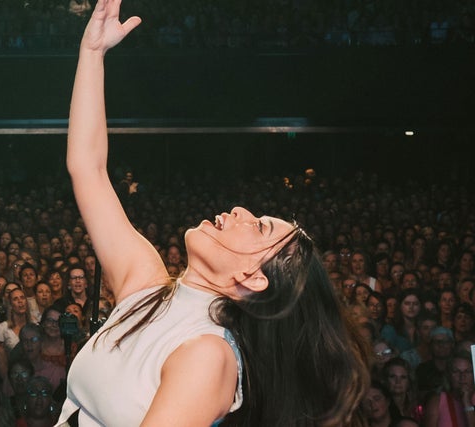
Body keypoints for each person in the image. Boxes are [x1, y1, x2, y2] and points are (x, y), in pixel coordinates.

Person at [56, 1, 370, 425]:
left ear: (255, 277)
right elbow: (88, 169)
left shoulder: (209, 354)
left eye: (259, 226)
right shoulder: (148, 288)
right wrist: (92, 54)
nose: (239, 210)